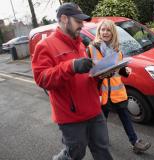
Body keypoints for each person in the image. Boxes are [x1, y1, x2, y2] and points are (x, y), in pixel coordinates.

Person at [31, 3, 113, 160]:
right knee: (75, 153)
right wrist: (72, 66)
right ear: (64, 19)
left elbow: (85, 75)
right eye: (78, 21)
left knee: (103, 150)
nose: (82, 25)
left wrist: (100, 74)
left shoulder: (80, 43)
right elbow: (42, 78)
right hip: (71, 116)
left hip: (94, 110)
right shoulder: (45, 45)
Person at [87, 19, 151, 153]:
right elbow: (90, 71)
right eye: (102, 30)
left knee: (125, 117)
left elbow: (119, 69)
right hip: (102, 93)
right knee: (101, 121)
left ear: (112, 33)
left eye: (108, 30)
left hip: (117, 92)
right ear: (99, 32)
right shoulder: (92, 48)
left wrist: (125, 71)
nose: (105, 32)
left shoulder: (117, 50)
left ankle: (135, 142)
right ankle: (101, 141)